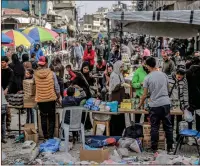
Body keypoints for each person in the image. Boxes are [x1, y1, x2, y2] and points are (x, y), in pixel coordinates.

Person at [138, 57, 173, 153]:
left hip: (155, 105)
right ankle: (170, 147)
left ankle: (154, 148)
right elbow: (168, 88)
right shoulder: (164, 75)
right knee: (168, 126)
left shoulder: (147, 78)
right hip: (166, 103)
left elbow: (144, 95)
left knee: (154, 127)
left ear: (148, 66)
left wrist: (139, 104)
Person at [34, 56, 60, 139]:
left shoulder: (35, 75)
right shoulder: (52, 73)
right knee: (51, 117)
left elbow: (34, 86)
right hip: (51, 98)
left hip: (41, 99)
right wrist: (58, 96)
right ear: (47, 63)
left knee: (43, 117)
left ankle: (45, 136)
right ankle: (51, 137)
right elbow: (56, 86)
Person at [72, 62, 95, 130]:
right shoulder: (79, 75)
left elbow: (92, 84)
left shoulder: (89, 76)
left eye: (87, 69)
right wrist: (81, 89)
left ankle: (86, 126)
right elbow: (74, 84)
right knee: (82, 111)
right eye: (84, 68)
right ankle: (81, 126)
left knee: (86, 111)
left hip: (88, 96)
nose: (85, 70)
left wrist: (91, 78)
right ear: (82, 68)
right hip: (81, 96)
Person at [168, 67, 189, 141]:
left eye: (181, 75)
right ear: (176, 73)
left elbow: (185, 93)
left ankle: (178, 137)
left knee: (179, 120)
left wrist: (186, 104)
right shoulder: (169, 78)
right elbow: (166, 89)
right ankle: (170, 137)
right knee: (171, 120)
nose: (179, 76)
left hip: (180, 103)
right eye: (178, 74)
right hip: (171, 102)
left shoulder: (184, 80)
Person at [109, 61, 126, 136]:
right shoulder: (114, 75)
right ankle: (115, 133)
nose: (122, 68)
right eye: (121, 67)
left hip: (120, 97)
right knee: (116, 115)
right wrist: (121, 85)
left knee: (120, 114)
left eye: (122, 67)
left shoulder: (119, 74)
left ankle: (120, 132)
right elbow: (113, 88)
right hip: (116, 97)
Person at [132, 56, 148, 123]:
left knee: (147, 118)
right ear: (142, 63)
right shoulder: (138, 71)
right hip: (139, 97)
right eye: (144, 63)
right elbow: (133, 84)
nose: (146, 65)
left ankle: (146, 132)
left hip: (148, 98)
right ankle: (137, 130)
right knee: (137, 118)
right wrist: (140, 84)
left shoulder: (151, 71)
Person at [186, 56, 200, 131]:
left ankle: (189, 131)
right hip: (199, 98)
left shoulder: (189, 71)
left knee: (189, 117)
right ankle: (198, 135)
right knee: (199, 118)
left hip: (190, 97)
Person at [1, 56, 13, 131]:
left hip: (7, 92)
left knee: (7, 109)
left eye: (3, 62)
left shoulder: (10, 71)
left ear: (7, 62)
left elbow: (11, 81)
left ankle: (8, 125)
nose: (1, 63)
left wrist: (7, 89)